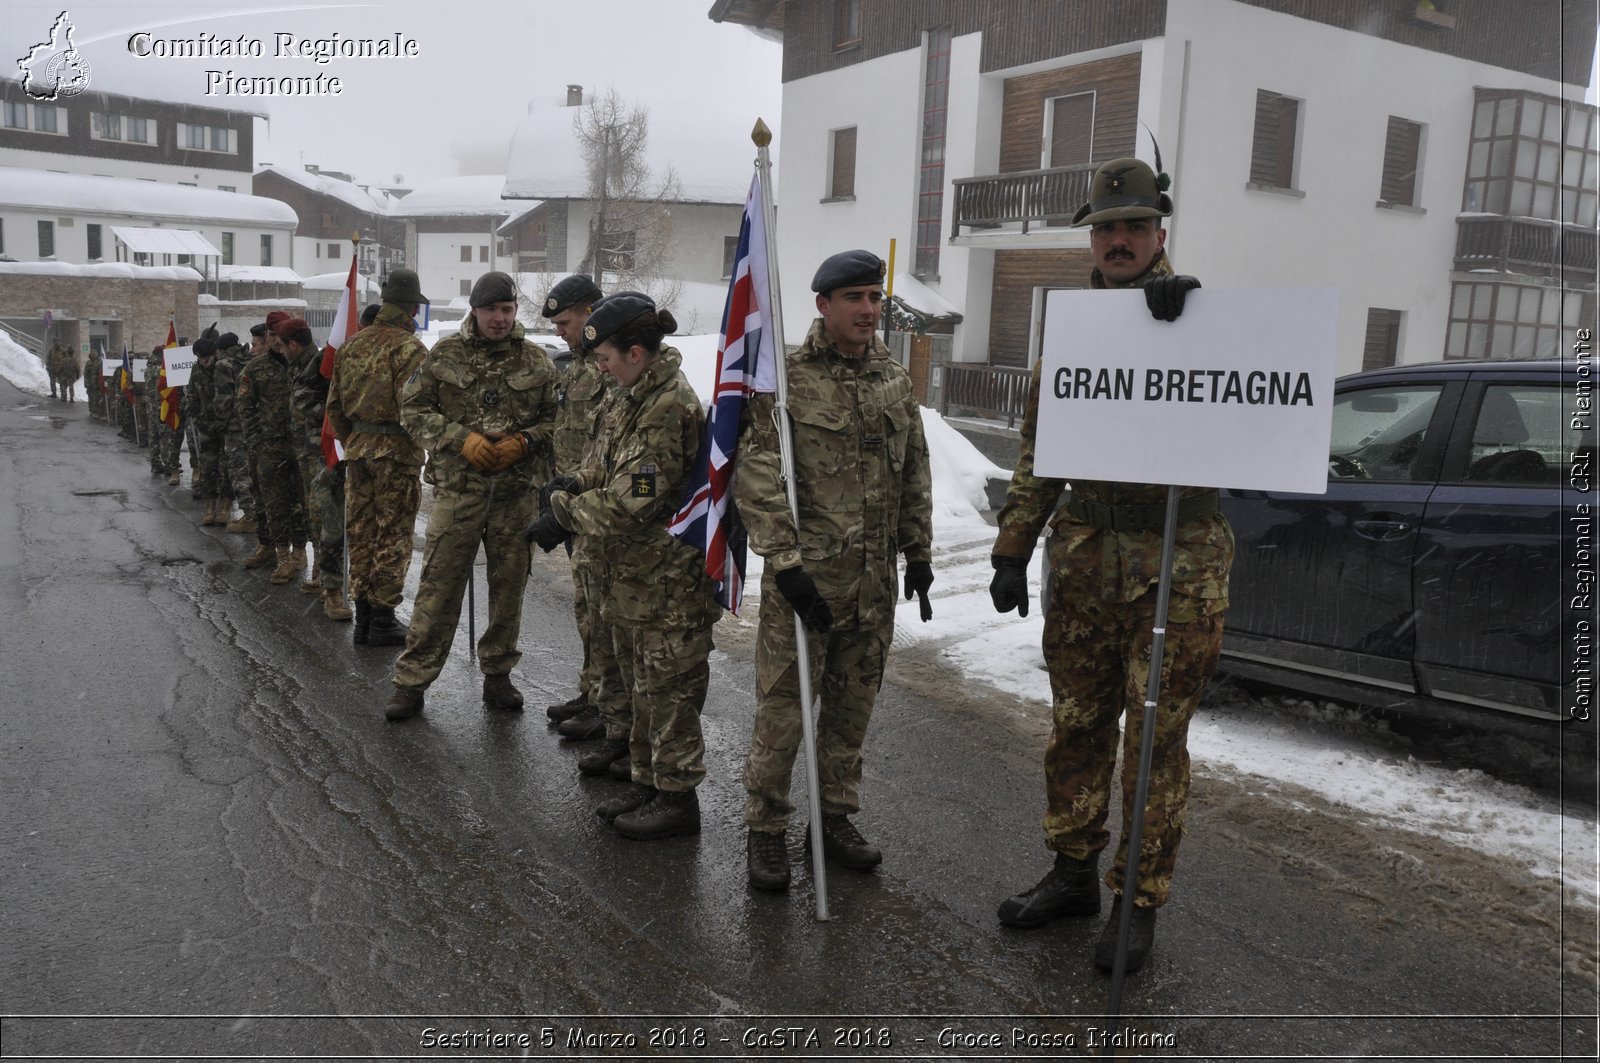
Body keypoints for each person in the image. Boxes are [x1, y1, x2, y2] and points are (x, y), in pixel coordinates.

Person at [988, 156, 1224, 974]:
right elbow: (1040, 445)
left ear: (1160, 233)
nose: (1119, 240)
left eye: (1134, 226)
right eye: (1106, 228)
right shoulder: (1079, 326)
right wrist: (1015, 546)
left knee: (1154, 737)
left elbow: (1248, 405)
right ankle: (1073, 871)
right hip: (1087, 557)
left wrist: (1191, 317)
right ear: (1092, 239)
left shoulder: (1201, 311)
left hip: (1176, 563)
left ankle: (1138, 900)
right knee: (1078, 725)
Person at [732, 249, 935, 892]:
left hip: (872, 584)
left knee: (852, 710)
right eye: (855, 299)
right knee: (785, 711)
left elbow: (914, 471)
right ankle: (765, 828)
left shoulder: (893, 381)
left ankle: (834, 817)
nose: (869, 311)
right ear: (823, 305)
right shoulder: (786, 380)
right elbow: (757, 473)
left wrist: (920, 551)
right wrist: (784, 564)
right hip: (807, 582)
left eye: (875, 298)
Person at [525, 292, 718, 839]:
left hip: (664, 580)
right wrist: (573, 483)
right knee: (639, 686)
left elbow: (635, 500)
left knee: (667, 693)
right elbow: (604, 468)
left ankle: (677, 798)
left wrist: (562, 514)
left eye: (606, 357)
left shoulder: (667, 407)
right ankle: (648, 781)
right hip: (629, 575)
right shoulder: (627, 394)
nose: (600, 368)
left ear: (636, 353)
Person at [385, 271, 559, 721]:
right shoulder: (445, 355)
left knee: (508, 589)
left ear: (515, 311)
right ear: (474, 311)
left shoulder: (537, 361)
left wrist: (525, 441)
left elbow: (556, 419)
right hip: (459, 492)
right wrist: (459, 438)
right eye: (490, 310)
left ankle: (498, 674)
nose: (499, 319)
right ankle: (412, 681)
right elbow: (411, 408)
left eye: (506, 310)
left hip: (515, 496)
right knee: (438, 589)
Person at [326, 272, 430, 643]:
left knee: (362, 532)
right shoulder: (410, 349)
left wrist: (354, 439)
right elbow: (417, 409)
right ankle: (383, 617)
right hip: (397, 452)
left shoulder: (352, 345)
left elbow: (334, 405)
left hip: (358, 451)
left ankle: (365, 617)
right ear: (414, 306)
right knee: (394, 534)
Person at [541, 274, 618, 750]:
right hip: (574, 504)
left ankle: (607, 706)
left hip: (601, 510)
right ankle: (592, 693)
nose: (559, 332)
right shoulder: (577, 367)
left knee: (603, 612)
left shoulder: (611, 369)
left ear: (590, 312)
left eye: (565, 322)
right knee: (586, 607)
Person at [237, 316, 310, 585]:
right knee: (274, 503)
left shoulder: (302, 365)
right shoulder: (255, 369)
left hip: (301, 446)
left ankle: (300, 552)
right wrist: (256, 442)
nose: (274, 341)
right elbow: (245, 408)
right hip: (269, 447)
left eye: (278, 336)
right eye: (270, 335)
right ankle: (281, 556)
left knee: (302, 503)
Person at [185, 335, 233, 527]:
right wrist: (196, 417)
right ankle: (210, 507)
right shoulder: (196, 370)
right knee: (208, 467)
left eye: (207, 357)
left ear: (214, 354)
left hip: (226, 425)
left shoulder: (223, 367)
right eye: (200, 358)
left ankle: (226, 507)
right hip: (206, 426)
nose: (204, 361)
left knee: (227, 467)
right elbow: (192, 395)